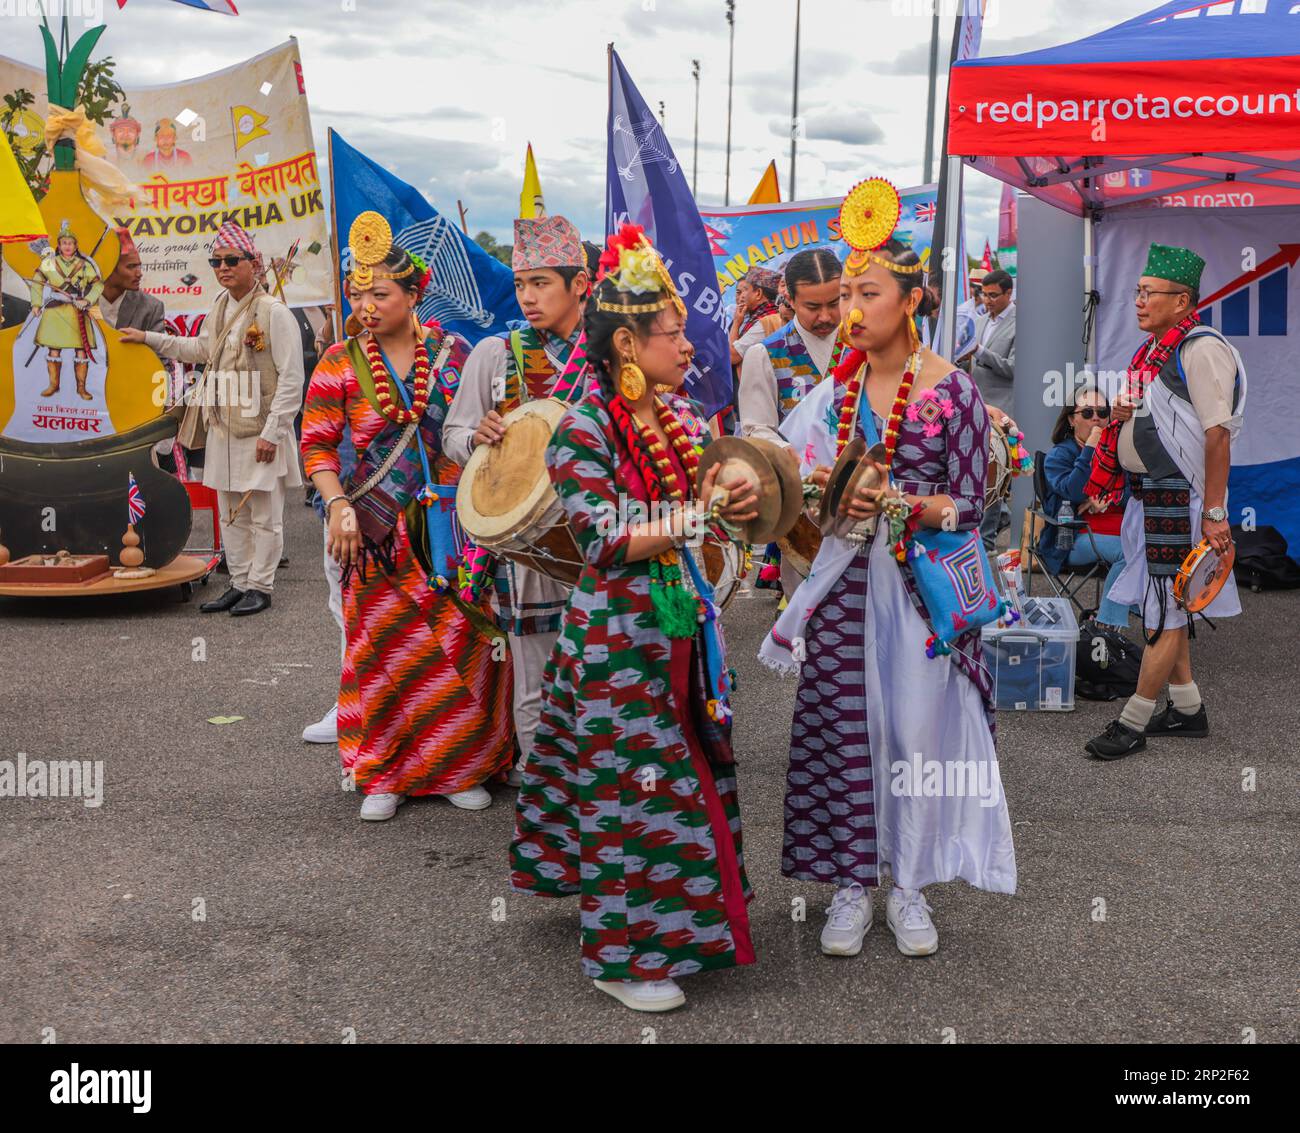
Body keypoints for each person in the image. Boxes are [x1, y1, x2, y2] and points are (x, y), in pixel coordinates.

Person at [511, 223, 759, 1013]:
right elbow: (601, 538)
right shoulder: (580, 428)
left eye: (685, 331)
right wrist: (691, 518)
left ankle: (676, 926)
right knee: (635, 787)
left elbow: (708, 502)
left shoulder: (678, 415)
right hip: (617, 639)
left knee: (680, 773)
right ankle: (622, 957)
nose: (688, 346)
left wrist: (735, 494)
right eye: (672, 333)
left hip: (679, 623)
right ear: (625, 343)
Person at [761, 231, 1016, 961]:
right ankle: (850, 884)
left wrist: (900, 503)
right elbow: (796, 480)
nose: (850, 308)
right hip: (844, 587)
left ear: (910, 301)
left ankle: (909, 883)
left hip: (921, 593)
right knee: (845, 727)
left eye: (866, 293)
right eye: (845, 294)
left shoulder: (952, 391)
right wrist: (812, 491)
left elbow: (971, 504)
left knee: (914, 733)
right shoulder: (835, 391)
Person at [300, 212, 514, 818]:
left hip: (450, 527)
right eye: (357, 294)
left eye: (380, 294)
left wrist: (490, 428)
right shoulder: (339, 361)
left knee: (460, 643)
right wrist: (338, 505)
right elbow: (317, 447)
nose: (366, 306)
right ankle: (385, 773)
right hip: (373, 532)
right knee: (384, 651)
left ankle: (460, 765)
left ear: (414, 294)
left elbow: (480, 424)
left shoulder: (456, 354)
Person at [443, 214, 590, 786]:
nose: (527, 297)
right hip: (528, 547)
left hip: (602, 535)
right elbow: (453, 434)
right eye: (521, 283)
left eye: (541, 283)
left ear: (580, 284)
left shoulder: (613, 351)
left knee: (607, 669)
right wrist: (475, 438)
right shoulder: (496, 353)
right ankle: (544, 789)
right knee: (536, 675)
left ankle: (602, 786)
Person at [1084, 244, 1246, 761]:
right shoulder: (1152, 353)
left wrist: (1214, 512)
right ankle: (1187, 708)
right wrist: (1122, 414)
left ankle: (1132, 721)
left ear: (1182, 302)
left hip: (1180, 498)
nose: (1138, 300)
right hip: (1149, 496)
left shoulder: (1200, 349)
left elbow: (1217, 434)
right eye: (1137, 291)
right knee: (1164, 601)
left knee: (1166, 608)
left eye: (1149, 293)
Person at [122, 222, 303, 616]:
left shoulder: (274, 313)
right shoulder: (220, 306)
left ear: (254, 263)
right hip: (223, 428)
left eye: (231, 260)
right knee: (230, 513)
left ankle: (261, 586)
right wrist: (148, 338)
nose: (223, 268)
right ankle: (238, 582)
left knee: (264, 515)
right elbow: (200, 349)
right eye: (216, 261)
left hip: (260, 431)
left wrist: (273, 433)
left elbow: (292, 381)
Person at [1038, 384, 1130, 628]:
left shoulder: (1118, 451)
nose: (1096, 418)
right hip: (1073, 536)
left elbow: (1133, 492)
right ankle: (1105, 626)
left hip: (1118, 528)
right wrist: (1090, 448)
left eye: (1102, 412)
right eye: (1088, 413)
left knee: (1150, 546)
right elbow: (1075, 491)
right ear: (1071, 420)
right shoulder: (1059, 455)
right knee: (1130, 553)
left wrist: (1110, 498)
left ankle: (1145, 614)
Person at [738, 247, 842, 448]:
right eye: (812, 307)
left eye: (834, 303)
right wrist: (788, 453)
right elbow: (757, 429)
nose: (825, 316)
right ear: (791, 300)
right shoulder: (765, 355)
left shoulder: (862, 345)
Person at [29, 220, 103, 402]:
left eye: (70, 243)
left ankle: (81, 388)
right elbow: (37, 282)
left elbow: (98, 285)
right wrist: (36, 304)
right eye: (64, 243)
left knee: (81, 352)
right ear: (59, 245)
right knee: (54, 350)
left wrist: (87, 300)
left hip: (77, 312)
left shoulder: (84, 265)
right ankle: (53, 385)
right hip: (55, 312)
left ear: (76, 246)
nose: (67, 246)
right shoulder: (49, 263)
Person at [969, 269, 1016, 548]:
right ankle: (992, 522)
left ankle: (986, 541)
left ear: (1009, 293)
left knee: (994, 472)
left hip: (1001, 408)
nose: (987, 300)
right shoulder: (979, 320)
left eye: (994, 295)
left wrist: (979, 351)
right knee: (975, 470)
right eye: (984, 294)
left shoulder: (1019, 323)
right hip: (976, 404)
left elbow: (1013, 368)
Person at [96, 228, 165, 335]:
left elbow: (157, 346)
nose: (139, 273)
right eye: (131, 266)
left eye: (139, 266)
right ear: (109, 269)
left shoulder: (151, 308)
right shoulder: (80, 303)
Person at [728, 265, 784, 366]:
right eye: (739, 292)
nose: (741, 297)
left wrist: (736, 323)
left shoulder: (766, 321)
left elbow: (732, 356)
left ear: (758, 293)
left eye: (745, 290)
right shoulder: (761, 315)